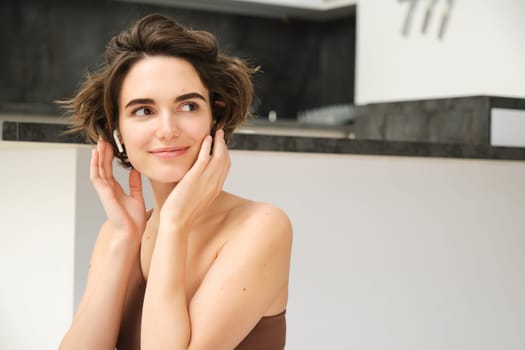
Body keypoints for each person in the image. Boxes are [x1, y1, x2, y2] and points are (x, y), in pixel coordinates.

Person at [58, 13, 292, 350]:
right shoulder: (120, 232)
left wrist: (174, 223)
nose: (167, 129)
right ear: (116, 128)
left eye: (187, 105)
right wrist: (125, 240)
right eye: (143, 110)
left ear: (215, 115)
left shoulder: (261, 227)